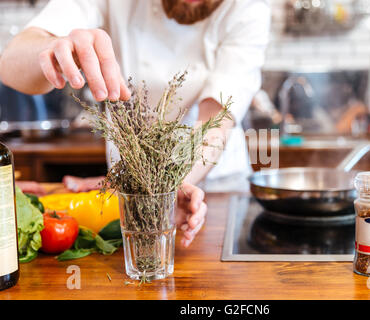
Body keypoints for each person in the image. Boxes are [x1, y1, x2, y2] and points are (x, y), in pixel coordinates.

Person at [0, 0, 271, 247]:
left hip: (219, 189)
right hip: (135, 192)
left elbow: (214, 120)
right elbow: (10, 65)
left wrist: (157, 187)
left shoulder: (250, 7)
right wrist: (48, 50)